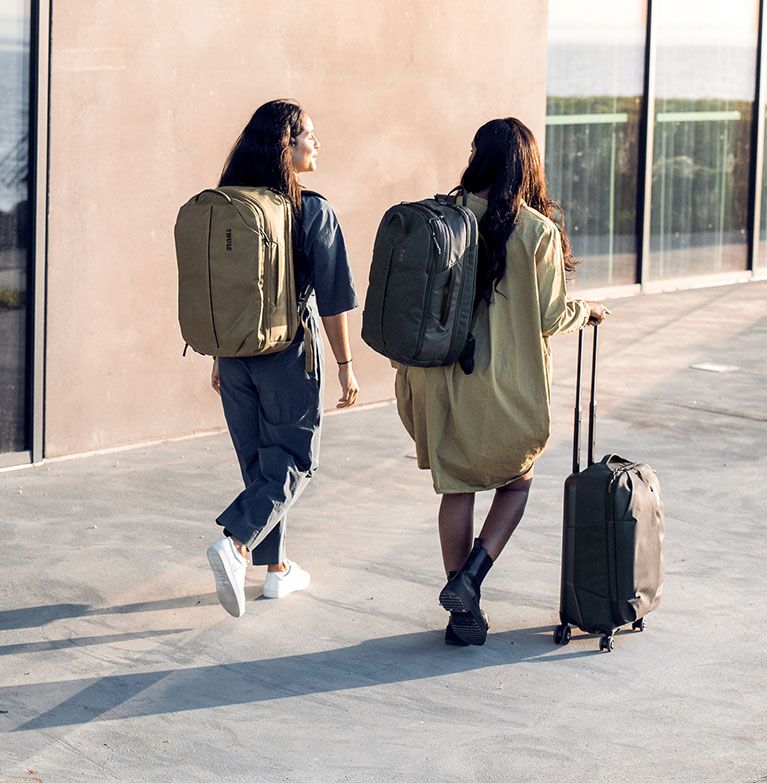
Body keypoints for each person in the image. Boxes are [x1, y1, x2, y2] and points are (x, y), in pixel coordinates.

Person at [395, 117, 608, 647]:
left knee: (457, 484)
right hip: (502, 383)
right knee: (517, 481)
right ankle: (470, 579)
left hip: (437, 380)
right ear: (527, 165)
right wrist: (591, 311)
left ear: (478, 157)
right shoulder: (535, 231)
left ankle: (460, 609)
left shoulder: (443, 216)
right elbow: (552, 315)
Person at [206, 100, 359, 617]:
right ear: (285, 146)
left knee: (259, 464)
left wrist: (218, 356)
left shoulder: (228, 204)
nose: (317, 144)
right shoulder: (311, 210)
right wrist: (344, 365)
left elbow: (223, 291)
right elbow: (334, 298)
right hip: (287, 352)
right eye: (309, 136)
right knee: (294, 458)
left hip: (233, 353)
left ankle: (277, 571)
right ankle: (238, 544)